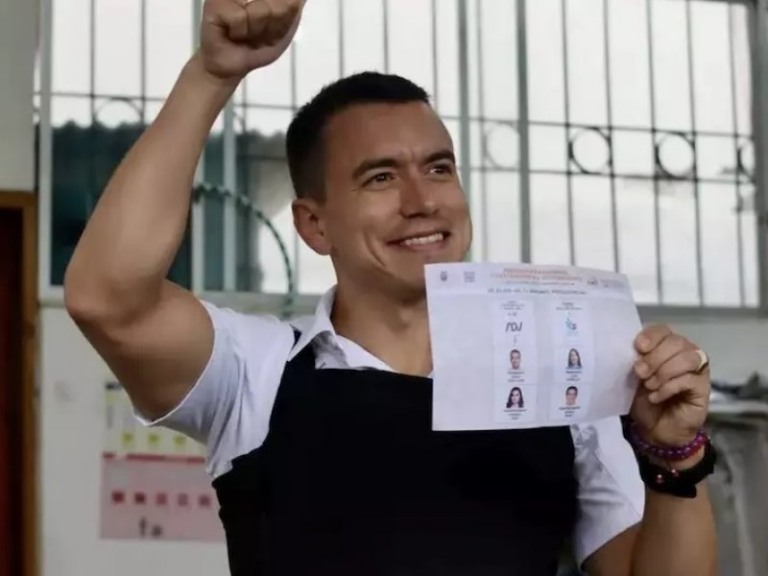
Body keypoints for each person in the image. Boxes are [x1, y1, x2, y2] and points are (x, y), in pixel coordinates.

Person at [63, 0, 718, 574]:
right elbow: (107, 298)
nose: (421, 201)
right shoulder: (255, 374)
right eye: (380, 178)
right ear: (313, 224)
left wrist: (675, 455)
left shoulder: (559, 380)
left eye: (439, 169)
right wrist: (211, 75)